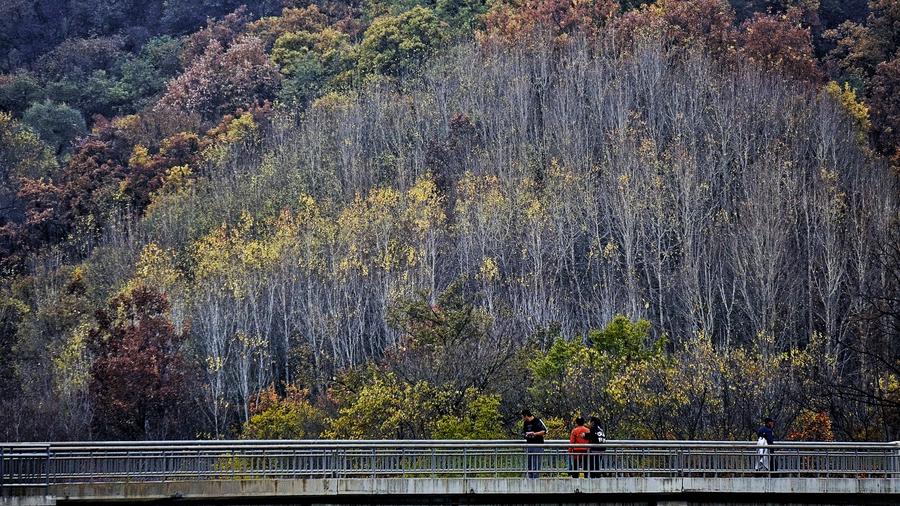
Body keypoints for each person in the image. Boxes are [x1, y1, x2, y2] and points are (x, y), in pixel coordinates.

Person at [521, 409, 547, 478]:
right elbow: (523, 432)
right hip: (529, 445)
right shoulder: (525, 423)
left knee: (536, 465)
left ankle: (535, 481)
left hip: (538, 445)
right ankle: (530, 480)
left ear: (526, 416)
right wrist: (526, 435)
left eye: (523, 417)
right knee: (530, 465)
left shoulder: (537, 421)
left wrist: (534, 434)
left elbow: (545, 431)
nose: (523, 418)